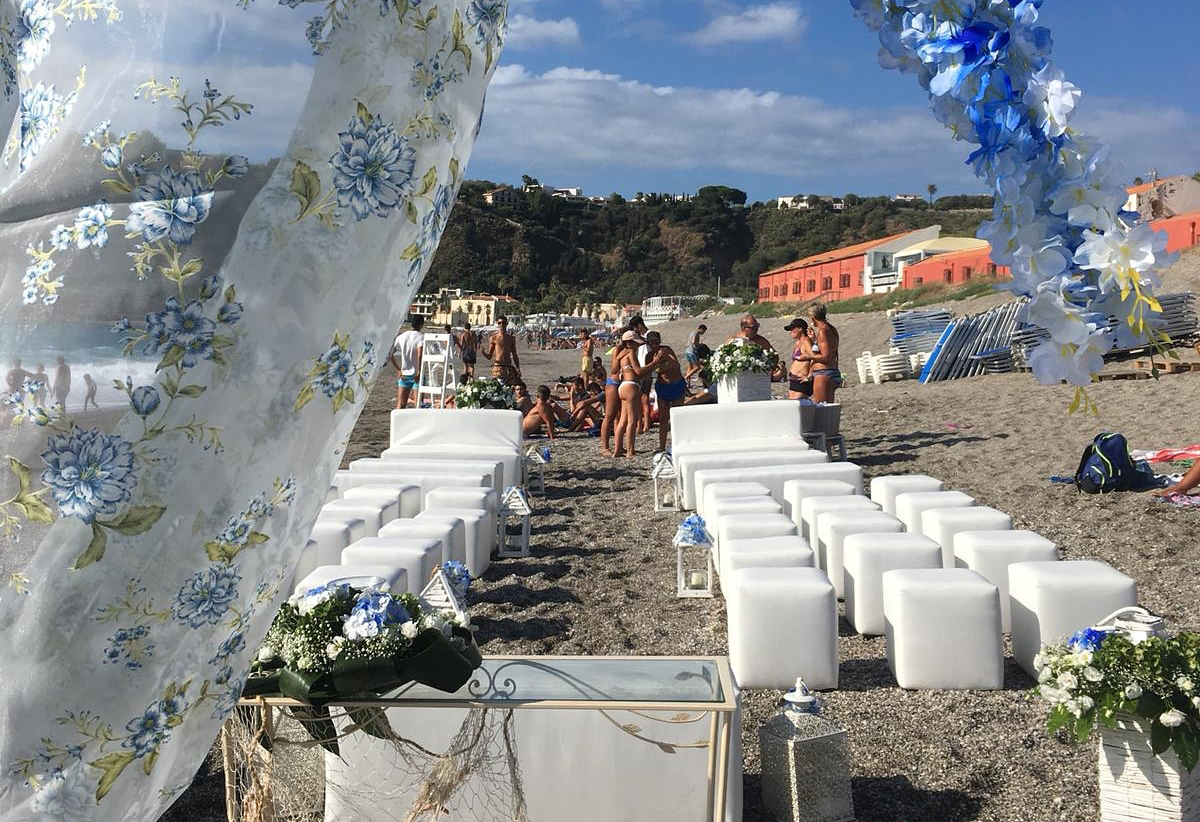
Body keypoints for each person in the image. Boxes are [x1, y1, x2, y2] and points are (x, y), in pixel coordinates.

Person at [612, 330, 658, 458]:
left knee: (622, 421)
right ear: (630, 343)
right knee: (632, 420)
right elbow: (638, 371)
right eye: (636, 343)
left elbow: (614, 370)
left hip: (623, 386)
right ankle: (630, 450)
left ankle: (617, 450)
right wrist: (654, 363)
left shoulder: (621, 354)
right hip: (631, 386)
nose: (638, 346)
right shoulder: (631, 352)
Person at [645, 331, 685, 454]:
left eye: (656, 342)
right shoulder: (649, 356)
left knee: (677, 416)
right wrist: (656, 362)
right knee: (663, 418)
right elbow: (649, 372)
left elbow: (675, 363)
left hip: (676, 384)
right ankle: (662, 446)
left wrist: (663, 359)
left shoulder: (666, 350)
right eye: (651, 343)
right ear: (648, 344)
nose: (654, 345)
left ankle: (678, 443)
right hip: (662, 386)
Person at [799, 302, 841, 403]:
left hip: (823, 374)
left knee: (821, 410)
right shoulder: (830, 328)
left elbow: (826, 357)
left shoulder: (823, 331)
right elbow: (827, 350)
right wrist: (814, 340)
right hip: (828, 372)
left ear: (813, 317)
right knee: (826, 409)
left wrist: (808, 357)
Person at [389, 316, 425, 409]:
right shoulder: (420, 337)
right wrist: (419, 371)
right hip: (417, 375)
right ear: (421, 325)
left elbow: (390, 354)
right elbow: (419, 354)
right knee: (418, 405)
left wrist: (398, 369)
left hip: (404, 374)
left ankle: (396, 422)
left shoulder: (402, 336)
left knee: (400, 405)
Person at [483, 315, 521, 383]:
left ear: (506, 324)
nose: (501, 325)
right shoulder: (493, 338)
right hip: (498, 367)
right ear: (497, 324)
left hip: (508, 367)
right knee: (498, 388)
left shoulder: (511, 339)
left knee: (509, 389)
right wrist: (483, 353)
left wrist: (518, 368)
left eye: (503, 323)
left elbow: (514, 354)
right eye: (499, 323)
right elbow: (489, 356)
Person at [784, 318, 814, 399]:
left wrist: (810, 376)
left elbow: (815, 357)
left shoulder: (806, 341)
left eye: (792, 329)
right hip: (794, 380)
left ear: (800, 329)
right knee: (793, 407)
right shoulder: (798, 342)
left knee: (799, 406)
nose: (790, 332)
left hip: (802, 380)